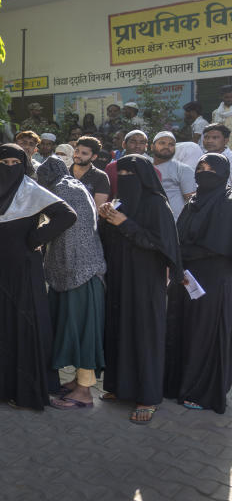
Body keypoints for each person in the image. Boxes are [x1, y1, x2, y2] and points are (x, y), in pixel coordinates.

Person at [0, 144, 76, 410]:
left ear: (25, 165)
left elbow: (66, 215)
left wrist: (36, 238)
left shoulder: (30, 189)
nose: (11, 168)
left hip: (22, 273)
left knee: (21, 326)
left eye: (17, 162)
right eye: (5, 163)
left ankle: (23, 389)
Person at [98, 154, 182, 425]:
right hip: (120, 277)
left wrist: (125, 223)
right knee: (120, 328)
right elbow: (110, 237)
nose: (124, 180)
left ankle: (148, 396)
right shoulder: (121, 201)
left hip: (146, 280)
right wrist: (105, 217)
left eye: (130, 175)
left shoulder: (156, 204)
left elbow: (163, 245)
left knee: (144, 333)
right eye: (120, 175)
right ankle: (121, 387)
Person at [34, 158, 107, 410]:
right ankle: (79, 381)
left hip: (79, 272)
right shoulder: (73, 185)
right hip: (79, 270)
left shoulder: (59, 190)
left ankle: (84, 392)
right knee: (77, 329)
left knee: (83, 333)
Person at [165, 153, 232, 414]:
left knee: (205, 332)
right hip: (186, 276)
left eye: (210, 169)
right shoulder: (194, 200)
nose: (204, 173)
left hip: (213, 279)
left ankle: (202, 391)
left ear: (223, 173)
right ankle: (178, 384)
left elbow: (221, 244)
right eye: (200, 168)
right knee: (181, 326)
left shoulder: (227, 203)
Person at [150, 132, 195, 221]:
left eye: (171, 144)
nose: (166, 147)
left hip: (174, 224)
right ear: (152, 147)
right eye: (162, 143)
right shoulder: (146, 167)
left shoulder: (183, 169)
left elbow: (191, 201)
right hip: (149, 222)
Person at [104, 130, 153, 197]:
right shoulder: (111, 167)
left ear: (146, 146)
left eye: (142, 143)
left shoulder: (152, 166)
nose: (137, 146)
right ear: (124, 144)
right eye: (133, 142)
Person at [71, 137, 111, 207]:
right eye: (77, 151)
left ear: (93, 157)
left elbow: (97, 208)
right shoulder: (63, 171)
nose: (78, 155)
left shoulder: (101, 177)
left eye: (84, 153)